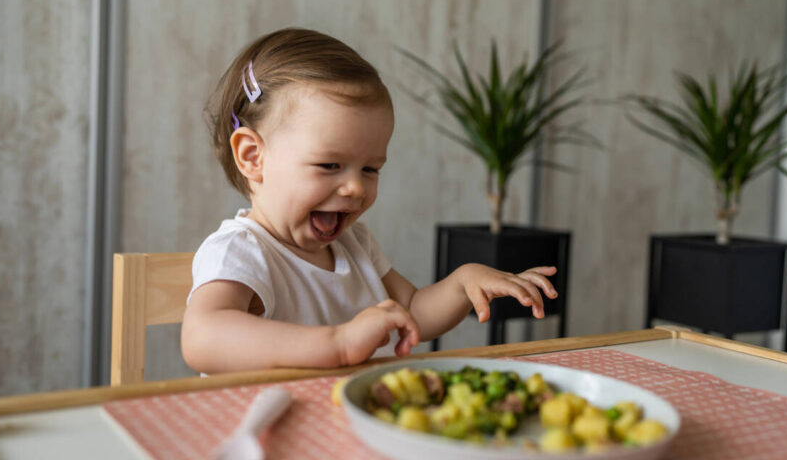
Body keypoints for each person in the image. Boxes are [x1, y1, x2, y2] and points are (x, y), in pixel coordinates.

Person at [181, 28, 557, 374]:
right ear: (252, 157)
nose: (356, 189)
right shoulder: (242, 251)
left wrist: (461, 283)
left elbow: (411, 312)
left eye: (371, 169)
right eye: (330, 165)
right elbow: (203, 337)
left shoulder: (355, 245)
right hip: (266, 433)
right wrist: (338, 344)